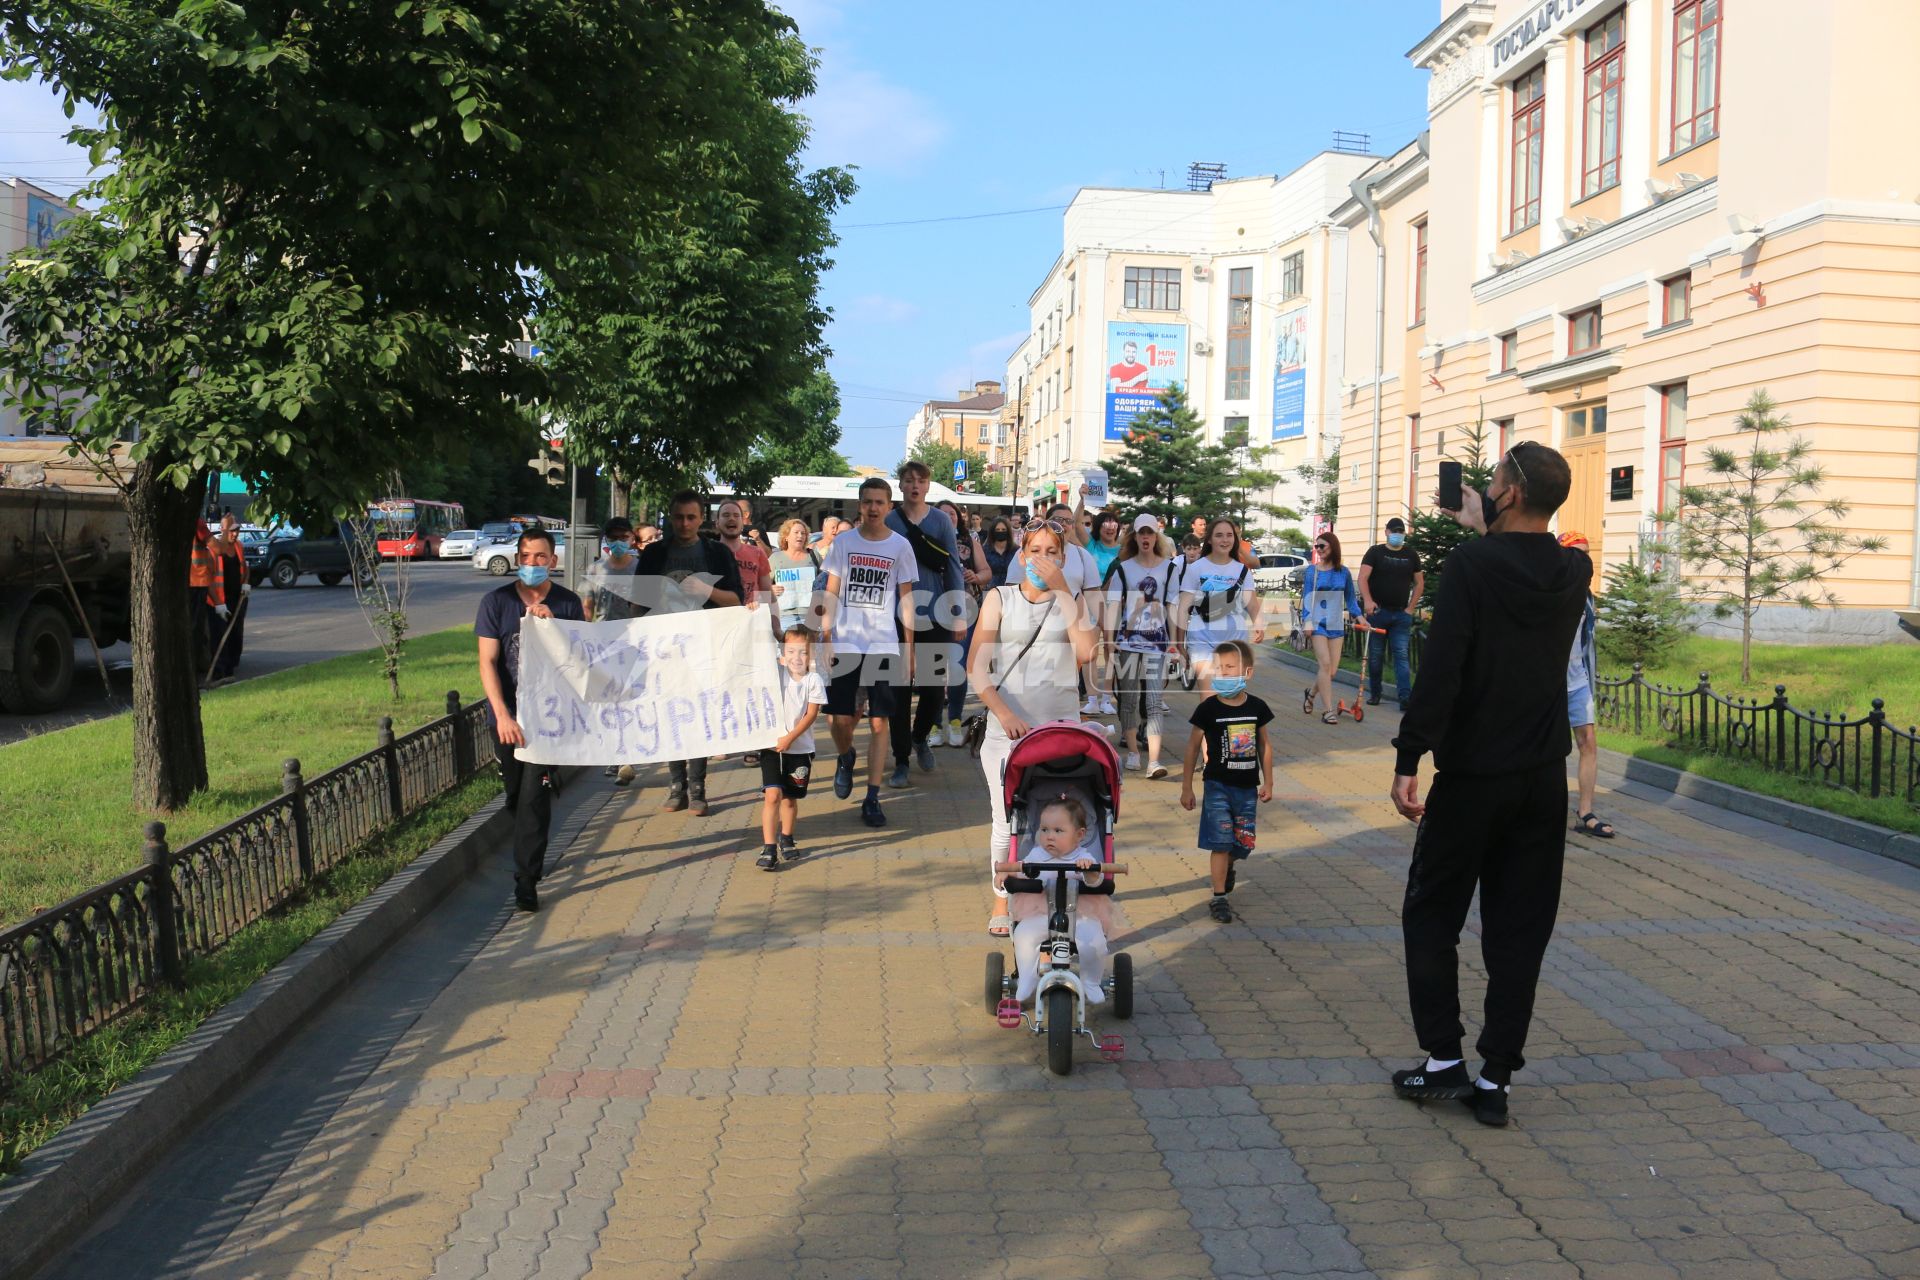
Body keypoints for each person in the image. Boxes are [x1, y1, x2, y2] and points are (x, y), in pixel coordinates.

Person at [1388, 441, 1591, 1128]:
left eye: (1497, 479)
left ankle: (1444, 1060)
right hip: (1542, 780)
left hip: (1474, 776)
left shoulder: (1472, 566)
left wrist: (1408, 755)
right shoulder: (1575, 570)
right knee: (1519, 930)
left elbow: (1443, 668)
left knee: (1431, 914)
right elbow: (1530, 565)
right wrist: (1489, 527)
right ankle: (1497, 1076)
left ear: (1507, 493)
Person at [971, 521, 1097, 937]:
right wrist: (1003, 713)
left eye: (1052, 551)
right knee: (1005, 821)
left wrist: (1063, 589)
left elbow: (1086, 653)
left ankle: (1057, 892)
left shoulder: (1071, 599)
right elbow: (976, 666)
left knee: (1056, 814)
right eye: (1035, 549)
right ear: (1021, 556)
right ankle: (1001, 897)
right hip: (1007, 730)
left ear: (1063, 558)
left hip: (1059, 729)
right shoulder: (1000, 598)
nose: (1042, 557)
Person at [476, 527, 587, 912]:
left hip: (548, 720)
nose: (532, 564)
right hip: (507, 718)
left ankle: (526, 880)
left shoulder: (568, 603)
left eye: (540, 557)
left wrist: (553, 625)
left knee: (534, 799)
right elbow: (488, 662)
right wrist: (502, 714)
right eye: (525, 556)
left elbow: (580, 663)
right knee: (515, 798)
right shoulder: (496, 602)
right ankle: (529, 851)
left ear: (553, 561)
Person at [626, 491, 746, 810]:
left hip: (705, 647)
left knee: (698, 716)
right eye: (678, 517)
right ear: (670, 518)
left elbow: (736, 599)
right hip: (662, 648)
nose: (684, 523)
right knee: (669, 716)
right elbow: (637, 602)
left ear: (701, 519)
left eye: (691, 517)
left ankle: (697, 789)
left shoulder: (716, 553)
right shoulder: (654, 554)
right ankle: (675, 785)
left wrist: (707, 590)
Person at [821, 476, 919, 828]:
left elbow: (907, 599)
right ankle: (846, 756)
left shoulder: (900, 546)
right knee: (840, 719)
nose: (874, 508)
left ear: (889, 507)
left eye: (880, 502)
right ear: (860, 506)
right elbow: (830, 592)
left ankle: (872, 797)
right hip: (845, 642)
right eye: (868, 502)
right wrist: (826, 636)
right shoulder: (843, 543)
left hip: (884, 644)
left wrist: (909, 647)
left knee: (880, 722)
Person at [1179, 641, 1274, 925]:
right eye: (1218, 668)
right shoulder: (1208, 709)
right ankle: (1219, 897)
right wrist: (1187, 786)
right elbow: (1192, 747)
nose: (1223, 673)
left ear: (1247, 672)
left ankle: (1230, 864)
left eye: (1229, 668)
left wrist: (1268, 781)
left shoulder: (1258, 708)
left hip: (1246, 789)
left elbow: (1264, 746)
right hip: (1217, 786)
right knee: (1220, 842)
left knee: (1241, 843)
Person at [885, 462, 963, 780]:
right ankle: (901, 758)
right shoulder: (891, 520)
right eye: (908, 480)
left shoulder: (941, 520)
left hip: (935, 614)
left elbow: (954, 567)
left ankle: (920, 738)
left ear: (928, 485)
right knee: (898, 690)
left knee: (933, 691)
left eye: (921, 480)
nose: (915, 485)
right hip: (895, 615)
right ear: (900, 486)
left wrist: (957, 614)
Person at [1005, 795, 1112, 1005]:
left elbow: (1096, 880)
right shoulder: (1036, 856)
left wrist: (1089, 872)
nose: (1049, 837)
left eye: (1058, 831)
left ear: (1079, 835)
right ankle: (1027, 977)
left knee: (1095, 943)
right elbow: (1021, 870)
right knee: (1023, 935)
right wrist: (1008, 873)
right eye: (1044, 830)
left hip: (1079, 915)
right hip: (1041, 914)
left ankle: (1091, 981)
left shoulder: (1083, 858)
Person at [1104, 514, 1177, 778]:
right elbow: (1113, 605)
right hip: (1128, 643)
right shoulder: (1124, 569)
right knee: (1129, 698)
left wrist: (1177, 644)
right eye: (1140, 533)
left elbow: (1173, 607)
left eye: (1150, 533)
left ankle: (1154, 761)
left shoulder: (1169, 569)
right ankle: (1133, 751)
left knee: (1155, 700)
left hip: (1158, 645)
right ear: (1134, 537)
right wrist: (1110, 640)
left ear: (1156, 536)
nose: (1145, 537)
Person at [758, 626, 828, 870]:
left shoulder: (814, 680)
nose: (796, 658)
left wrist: (790, 738)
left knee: (789, 799)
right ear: (781, 655)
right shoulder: (775, 674)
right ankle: (768, 848)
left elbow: (811, 715)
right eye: (791, 652)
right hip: (772, 747)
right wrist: (753, 612)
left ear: (811, 656)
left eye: (803, 653)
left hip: (800, 749)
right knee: (772, 795)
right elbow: (756, 643)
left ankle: (786, 838)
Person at [1559, 532, 1614, 839]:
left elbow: (1586, 643)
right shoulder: (1547, 591)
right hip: (1548, 685)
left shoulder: (1587, 597)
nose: (1584, 561)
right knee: (1549, 750)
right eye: (1577, 554)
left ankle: (1585, 812)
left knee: (1588, 742)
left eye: (1587, 555)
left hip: (1577, 682)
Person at [1175, 517, 1265, 697]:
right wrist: (1179, 643)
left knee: (1231, 697)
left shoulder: (1242, 570)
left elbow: (1252, 603)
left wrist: (1259, 623)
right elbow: (1183, 608)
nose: (1225, 540)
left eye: (1229, 535)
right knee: (1208, 698)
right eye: (1219, 535)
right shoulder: (1196, 568)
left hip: (1235, 638)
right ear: (1209, 539)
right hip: (1202, 638)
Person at [939, 498, 990, 748]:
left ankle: (955, 720)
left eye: (953, 513)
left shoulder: (970, 541)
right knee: (934, 669)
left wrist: (976, 576)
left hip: (965, 611)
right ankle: (934, 724)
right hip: (931, 610)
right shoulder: (925, 540)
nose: (949, 517)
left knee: (958, 667)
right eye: (943, 513)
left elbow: (986, 573)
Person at [1359, 518, 1424, 711]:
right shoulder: (1375, 552)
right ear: (1386, 532)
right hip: (1378, 612)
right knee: (1376, 655)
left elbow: (1419, 582)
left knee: (1401, 656)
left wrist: (1411, 608)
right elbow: (1363, 577)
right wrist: (1368, 601)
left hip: (1400, 615)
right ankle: (1375, 693)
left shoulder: (1411, 555)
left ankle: (1405, 697)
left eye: (1401, 531)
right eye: (1394, 531)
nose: (1397, 534)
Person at [1300, 532, 1364, 725]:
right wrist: (1307, 621)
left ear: (1332, 547)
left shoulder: (1343, 572)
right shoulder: (1312, 571)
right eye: (1316, 546)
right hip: (1318, 623)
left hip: (1336, 624)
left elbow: (1351, 599)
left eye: (1322, 546)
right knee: (1325, 665)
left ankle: (1310, 694)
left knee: (1331, 672)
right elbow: (1307, 598)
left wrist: (1360, 617)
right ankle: (1327, 711)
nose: (1318, 550)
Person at [209, 512, 250, 685]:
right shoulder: (214, 549)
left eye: (237, 530)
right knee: (219, 635)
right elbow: (208, 577)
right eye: (231, 531)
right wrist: (218, 603)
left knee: (235, 633)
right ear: (222, 529)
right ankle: (220, 670)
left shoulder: (239, 546)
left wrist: (246, 584)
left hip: (237, 598)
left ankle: (231, 666)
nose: (234, 534)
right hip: (218, 601)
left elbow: (245, 566)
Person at [188, 519, 228, 684]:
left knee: (189, 630)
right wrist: (225, 532)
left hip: (187, 583)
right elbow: (218, 549)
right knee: (195, 633)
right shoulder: (196, 523)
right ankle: (191, 675)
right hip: (197, 583)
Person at [769, 518, 820, 635]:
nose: (800, 536)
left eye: (803, 533)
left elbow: (824, 580)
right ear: (786, 536)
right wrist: (771, 589)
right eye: (796, 532)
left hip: (811, 614)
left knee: (810, 650)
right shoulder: (775, 558)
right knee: (787, 650)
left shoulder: (814, 556)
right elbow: (762, 584)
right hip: (785, 615)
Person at [583, 516, 639, 622]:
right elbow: (588, 606)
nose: (618, 542)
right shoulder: (594, 569)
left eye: (623, 537)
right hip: (603, 633)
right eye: (613, 538)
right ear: (607, 540)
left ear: (632, 538)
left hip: (633, 633)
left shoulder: (641, 568)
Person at [1087, 511, 1124, 580]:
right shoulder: (1091, 544)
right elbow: (1076, 524)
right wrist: (1083, 501)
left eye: (1114, 525)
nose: (1110, 528)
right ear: (1098, 527)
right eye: (1106, 525)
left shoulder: (1123, 550)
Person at [982, 515, 1018, 586]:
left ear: (1008, 531)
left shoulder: (1016, 551)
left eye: (1003, 530)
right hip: (990, 591)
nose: (1000, 532)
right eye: (997, 530)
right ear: (992, 532)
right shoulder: (984, 551)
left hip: (1011, 591)